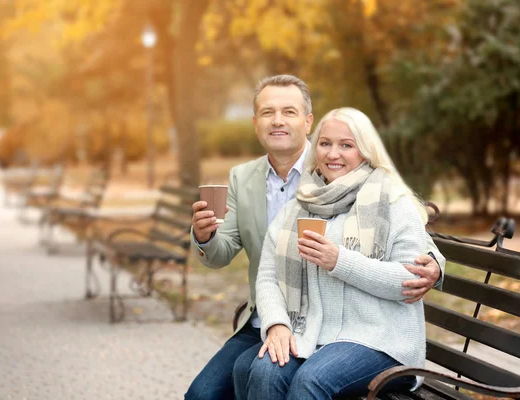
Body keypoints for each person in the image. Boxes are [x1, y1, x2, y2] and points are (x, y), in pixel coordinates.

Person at [185, 75, 444, 400]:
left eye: (288, 111)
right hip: (286, 319)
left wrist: (434, 264)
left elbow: (417, 256)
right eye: (268, 112)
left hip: (365, 331)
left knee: (295, 377)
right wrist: (204, 236)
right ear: (255, 123)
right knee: (216, 388)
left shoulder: (385, 196)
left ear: (308, 122)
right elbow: (250, 265)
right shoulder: (303, 197)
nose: (278, 120)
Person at [240, 107, 432, 400]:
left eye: (346, 145)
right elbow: (268, 276)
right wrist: (277, 325)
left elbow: (408, 281)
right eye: (325, 143)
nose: (333, 154)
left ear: (365, 152)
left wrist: (339, 261)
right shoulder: (299, 205)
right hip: (312, 333)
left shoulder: (393, 201)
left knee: (311, 380)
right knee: (265, 371)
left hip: (380, 339)